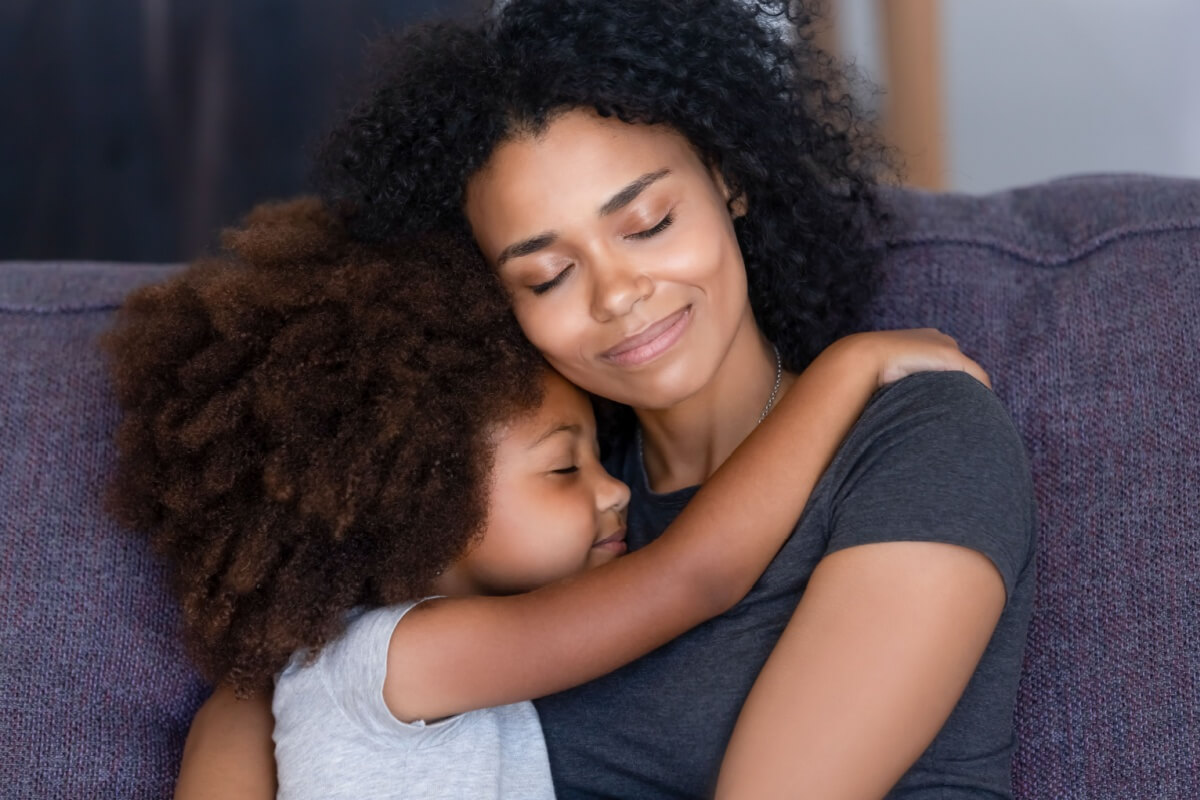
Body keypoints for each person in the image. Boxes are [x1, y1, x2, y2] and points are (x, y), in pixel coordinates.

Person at [177, 0, 1037, 797]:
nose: (618, 293)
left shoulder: (920, 437)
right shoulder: (543, 495)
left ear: (727, 179)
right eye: (548, 275)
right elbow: (270, 691)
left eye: (649, 223)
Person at [106, 197, 987, 799]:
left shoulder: (331, 673)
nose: (615, 493)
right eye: (565, 469)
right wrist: (846, 368)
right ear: (425, 507)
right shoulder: (404, 659)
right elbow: (693, 578)